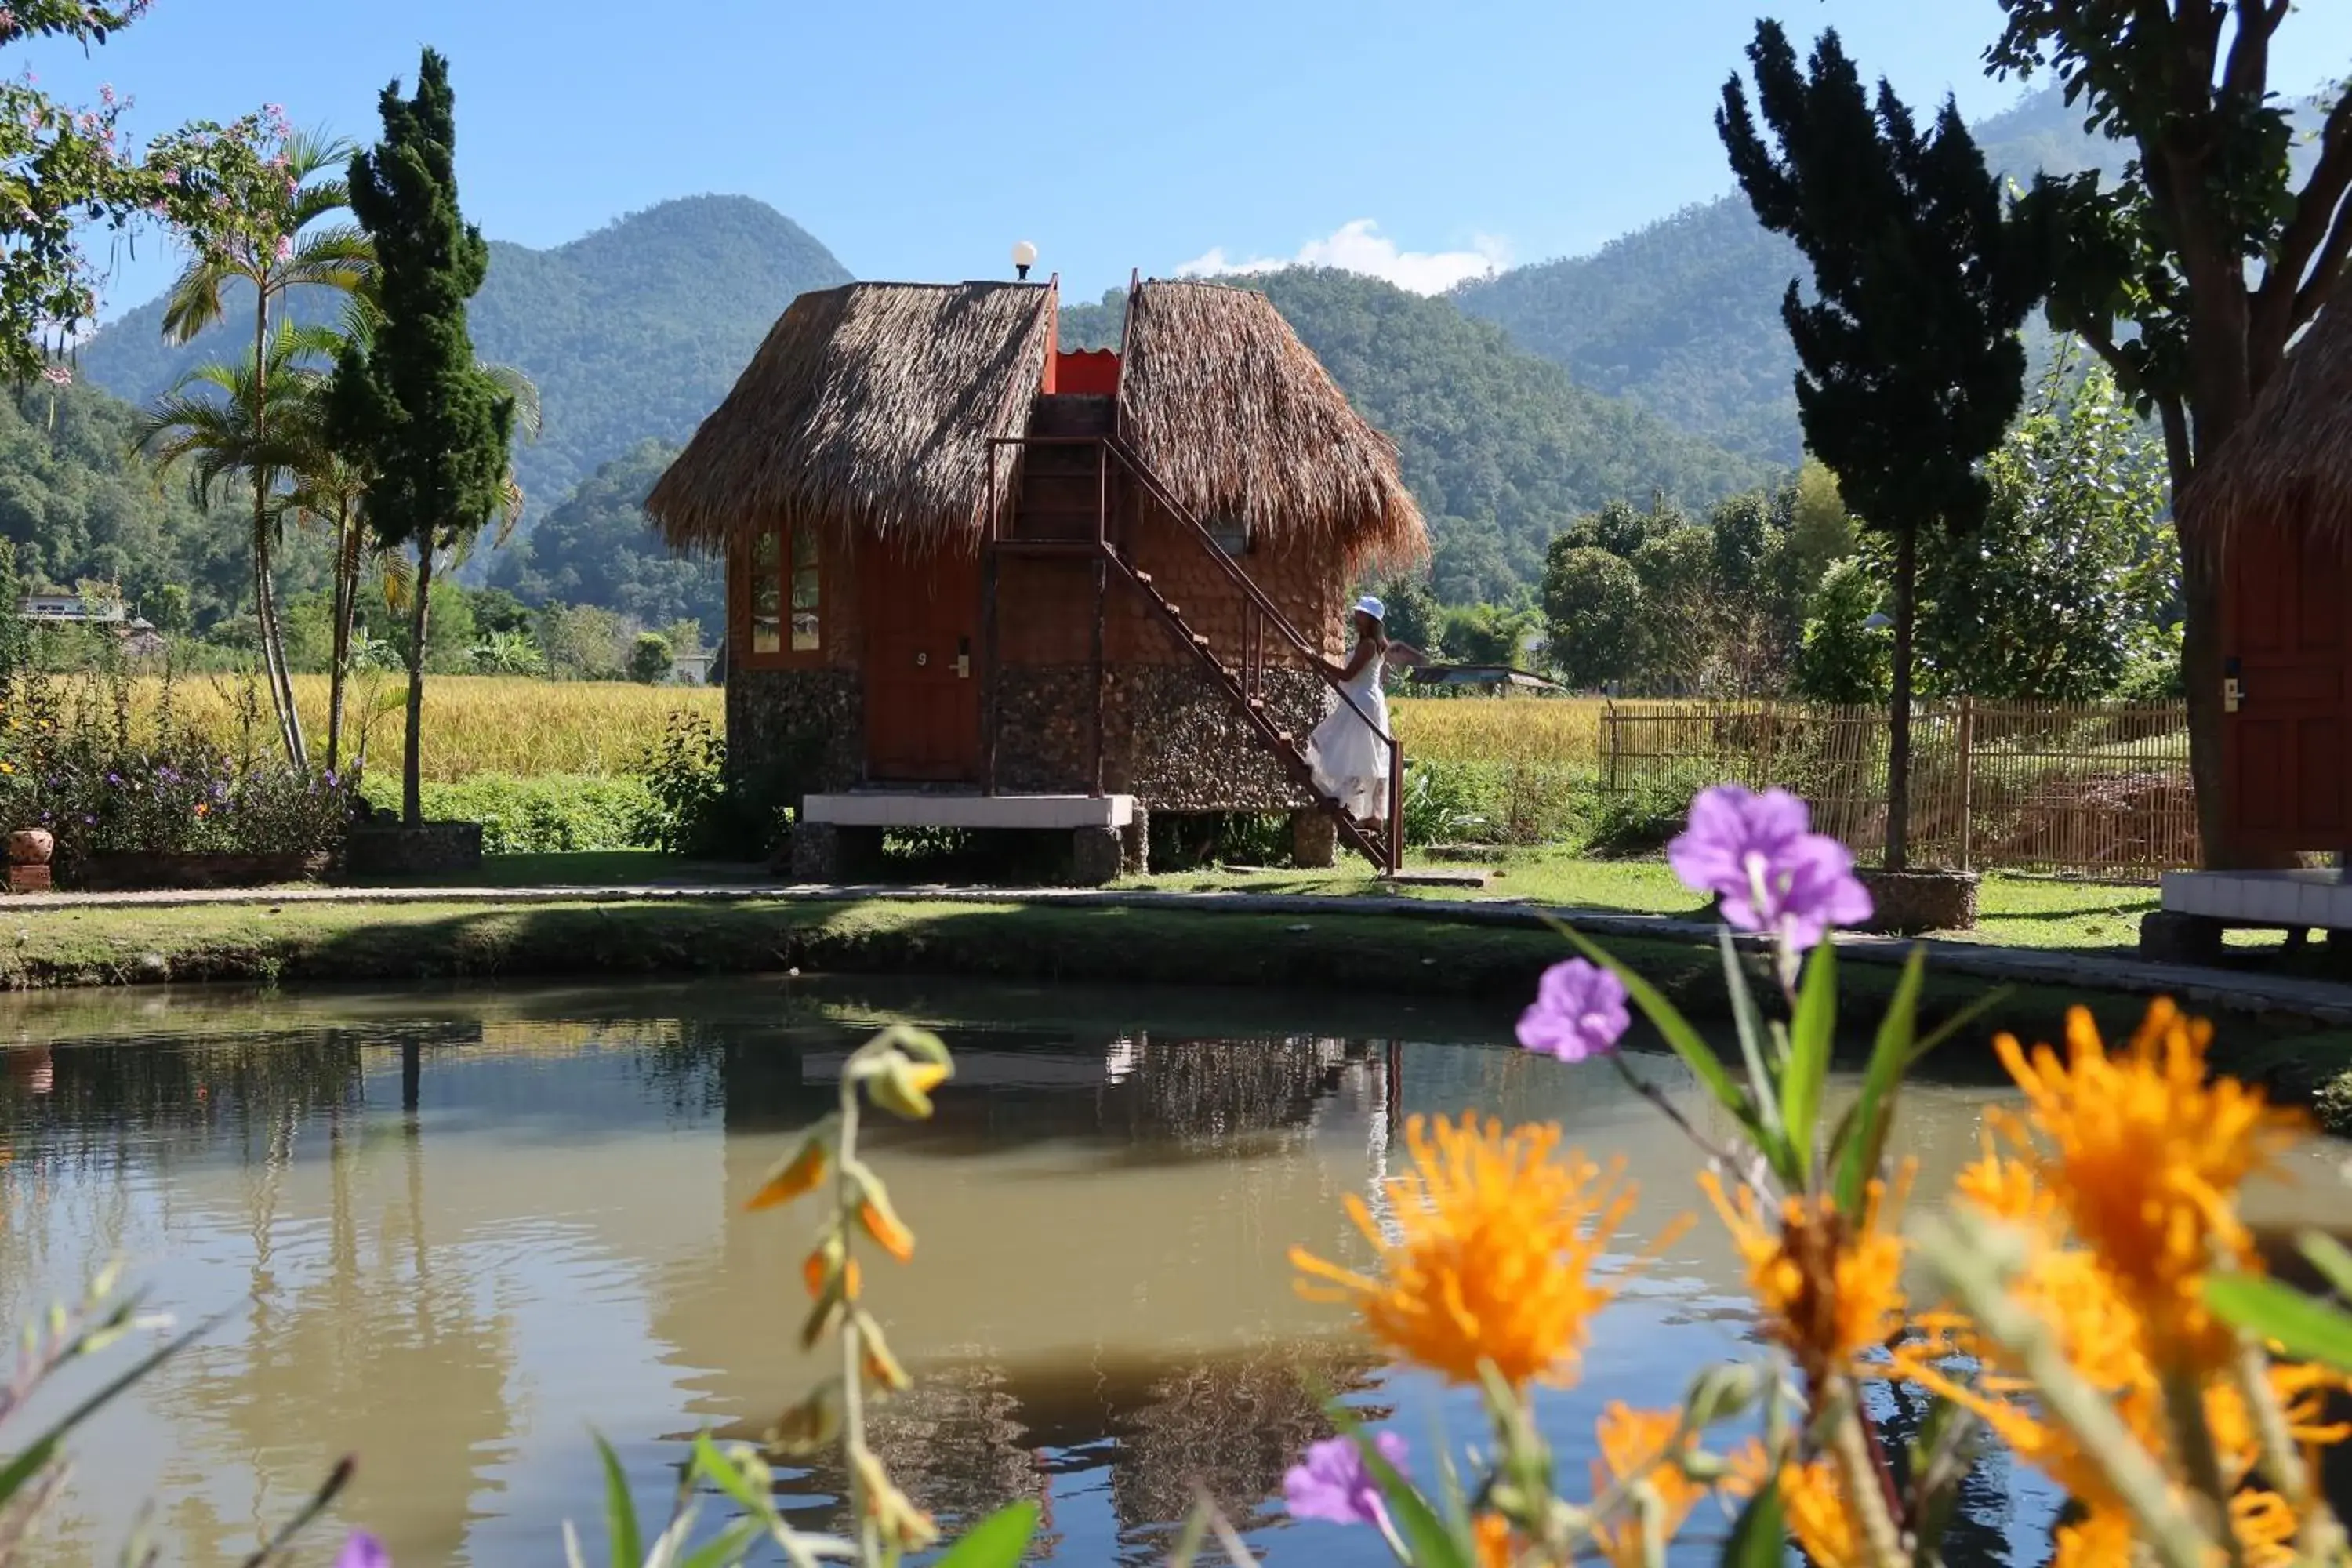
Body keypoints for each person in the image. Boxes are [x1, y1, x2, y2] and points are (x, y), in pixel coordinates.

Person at [1305, 595, 1423, 830]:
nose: (1356, 617)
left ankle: (1360, 808)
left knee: (1347, 750)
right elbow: (1351, 677)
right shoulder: (1375, 644)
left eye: (1361, 614)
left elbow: (1348, 675)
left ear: (1371, 619)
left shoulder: (1369, 645)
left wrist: (1316, 659)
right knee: (1363, 756)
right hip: (1364, 700)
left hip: (1362, 702)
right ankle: (1372, 814)